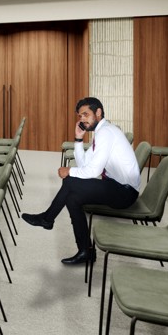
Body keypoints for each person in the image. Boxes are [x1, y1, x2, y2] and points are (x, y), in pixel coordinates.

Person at [21, 97, 140, 265]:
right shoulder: (102, 132)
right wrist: (78, 139)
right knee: (72, 198)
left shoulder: (106, 133)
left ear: (98, 113)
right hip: (115, 186)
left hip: (125, 192)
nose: (82, 119)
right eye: (80, 116)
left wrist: (69, 171)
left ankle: (47, 219)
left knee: (70, 181)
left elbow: (93, 171)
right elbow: (84, 165)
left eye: (86, 114)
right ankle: (85, 251)